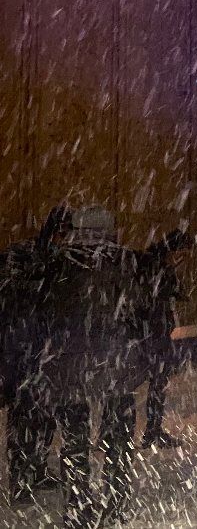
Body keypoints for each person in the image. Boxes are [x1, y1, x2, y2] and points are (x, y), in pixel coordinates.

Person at [40, 205, 149, 527]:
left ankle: (78, 504)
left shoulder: (59, 265)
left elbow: (47, 314)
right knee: (119, 436)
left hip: (71, 364)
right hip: (115, 361)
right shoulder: (125, 262)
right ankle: (115, 501)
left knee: (74, 439)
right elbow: (138, 308)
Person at [2, 205, 70, 504]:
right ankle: (20, 481)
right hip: (25, 351)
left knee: (42, 417)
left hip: (38, 350)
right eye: (63, 233)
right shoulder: (32, 256)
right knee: (24, 418)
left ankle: (37, 470)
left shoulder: (45, 256)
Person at [138, 229, 196, 448]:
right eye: (181, 254)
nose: (181, 260)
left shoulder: (158, 265)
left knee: (158, 383)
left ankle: (153, 429)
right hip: (152, 335)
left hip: (157, 333)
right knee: (156, 383)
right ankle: (150, 431)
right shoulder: (155, 267)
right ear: (173, 250)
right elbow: (154, 297)